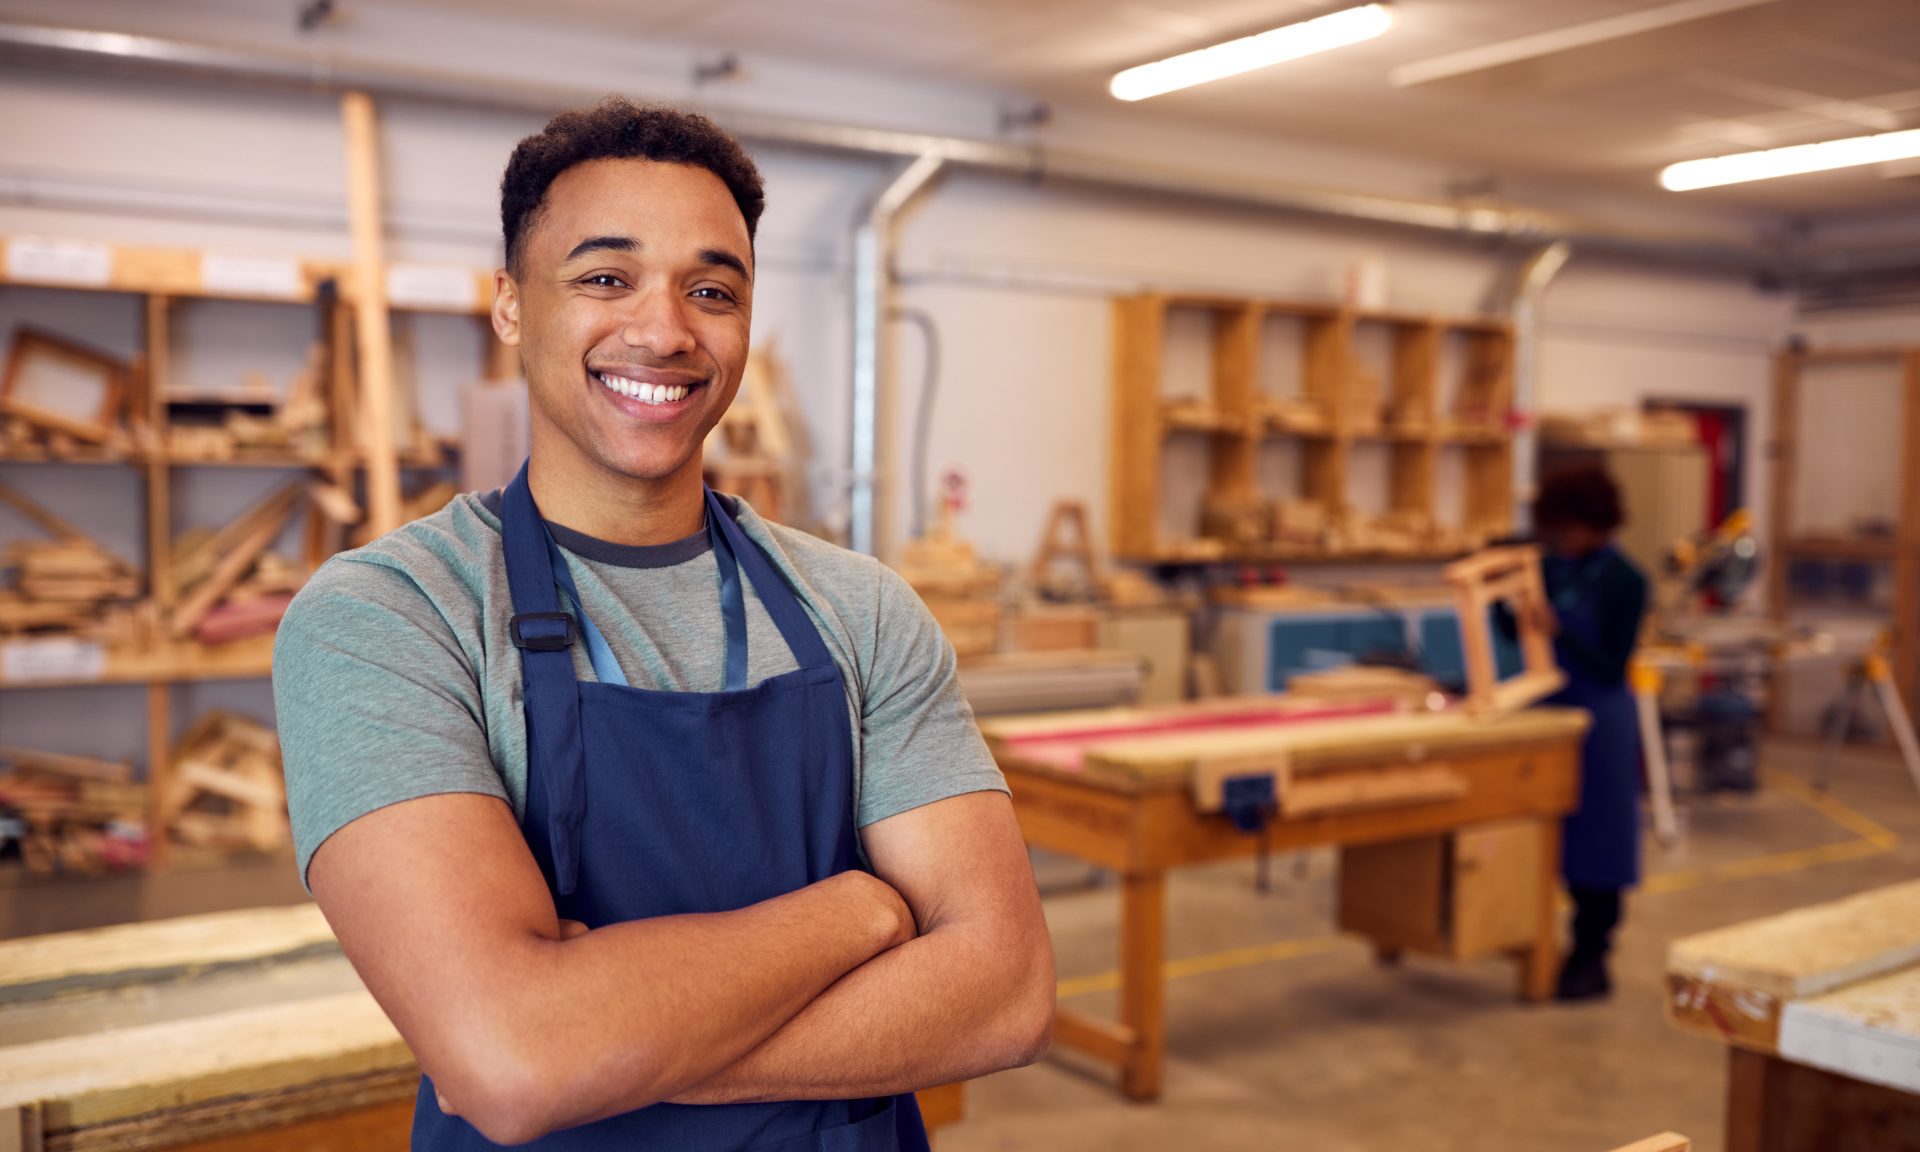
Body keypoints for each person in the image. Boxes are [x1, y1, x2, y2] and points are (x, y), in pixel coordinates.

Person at [274, 99, 1055, 1150]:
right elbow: (512, 1060)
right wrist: (862, 913)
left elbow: (1004, 992)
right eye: (605, 277)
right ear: (510, 304)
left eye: (713, 290)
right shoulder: (393, 616)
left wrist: (597, 1042)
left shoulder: (862, 610)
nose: (665, 329)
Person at [1531, 465, 1649, 1001]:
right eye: (1559, 530)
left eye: (1572, 529)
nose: (1565, 540)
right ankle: (1537, 946)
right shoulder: (1554, 567)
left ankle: (1592, 955)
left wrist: (1556, 628)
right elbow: (1520, 629)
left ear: (1598, 523)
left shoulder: (1627, 580)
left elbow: (1610, 663)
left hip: (1600, 721)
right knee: (1547, 838)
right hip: (1549, 713)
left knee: (1598, 846)